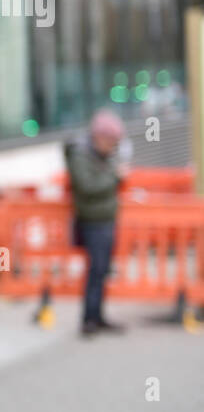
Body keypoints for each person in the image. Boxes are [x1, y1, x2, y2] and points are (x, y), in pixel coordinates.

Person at [65, 109, 127, 337]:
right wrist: (114, 178)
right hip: (92, 220)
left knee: (102, 271)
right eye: (111, 141)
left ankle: (98, 315)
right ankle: (89, 319)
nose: (113, 146)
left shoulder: (102, 156)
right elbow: (87, 187)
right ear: (99, 137)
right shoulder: (81, 156)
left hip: (105, 218)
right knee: (95, 270)